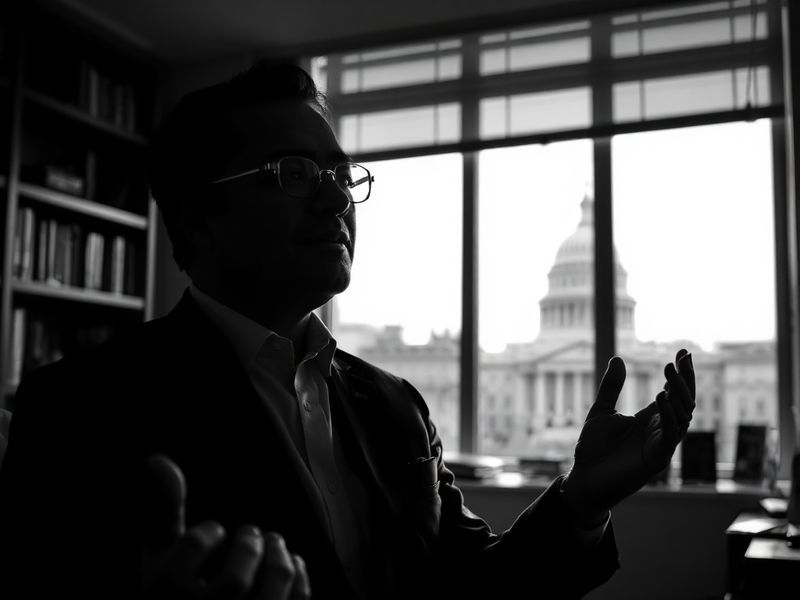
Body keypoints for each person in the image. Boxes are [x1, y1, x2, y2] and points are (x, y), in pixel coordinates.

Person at [0, 61, 695, 600]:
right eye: (295, 172)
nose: (337, 198)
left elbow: (472, 588)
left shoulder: (395, 405)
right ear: (194, 218)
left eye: (341, 172)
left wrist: (581, 499)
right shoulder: (76, 409)